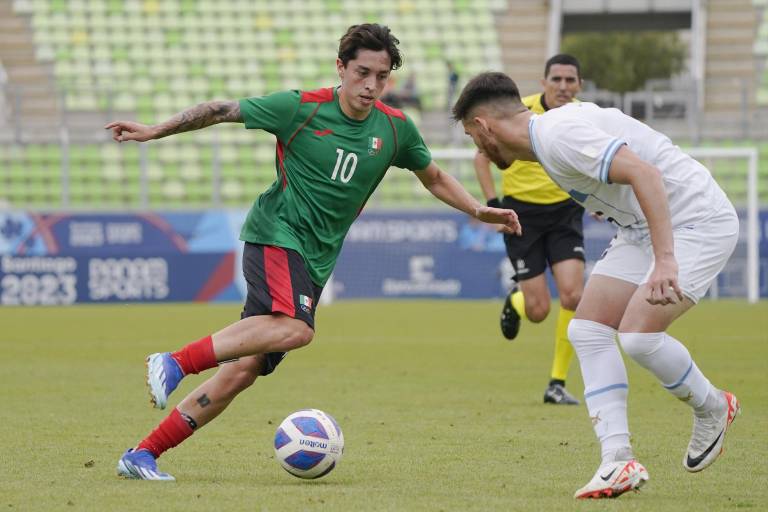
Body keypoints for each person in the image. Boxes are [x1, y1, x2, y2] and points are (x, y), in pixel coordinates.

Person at [106, 24, 521, 481]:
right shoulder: (300, 108)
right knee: (297, 330)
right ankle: (174, 361)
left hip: (315, 260)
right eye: (362, 72)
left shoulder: (395, 128)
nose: (371, 85)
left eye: (382, 76)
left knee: (242, 371)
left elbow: (435, 177)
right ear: (341, 67)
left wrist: (478, 209)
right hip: (277, 234)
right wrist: (154, 131)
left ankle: (142, 454)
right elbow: (221, 110)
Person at [453, 72, 740, 499]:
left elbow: (646, 174)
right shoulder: (548, 138)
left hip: (697, 222)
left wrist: (665, 260)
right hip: (640, 228)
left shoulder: (557, 135)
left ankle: (713, 406)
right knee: (586, 329)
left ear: (483, 126)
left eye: (472, 137)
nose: (478, 149)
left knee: (638, 337)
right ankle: (617, 460)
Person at [474, 54, 584, 405]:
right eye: (557, 79)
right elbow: (482, 156)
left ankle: (557, 383)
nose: (563, 86)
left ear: (579, 85)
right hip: (522, 215)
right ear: (544, 82)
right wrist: (493, 203)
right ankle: (518, 300)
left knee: (573, 296)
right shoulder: (518, 112)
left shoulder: (583, 116)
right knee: (539, 311)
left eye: (570, 80)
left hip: (566, 212)